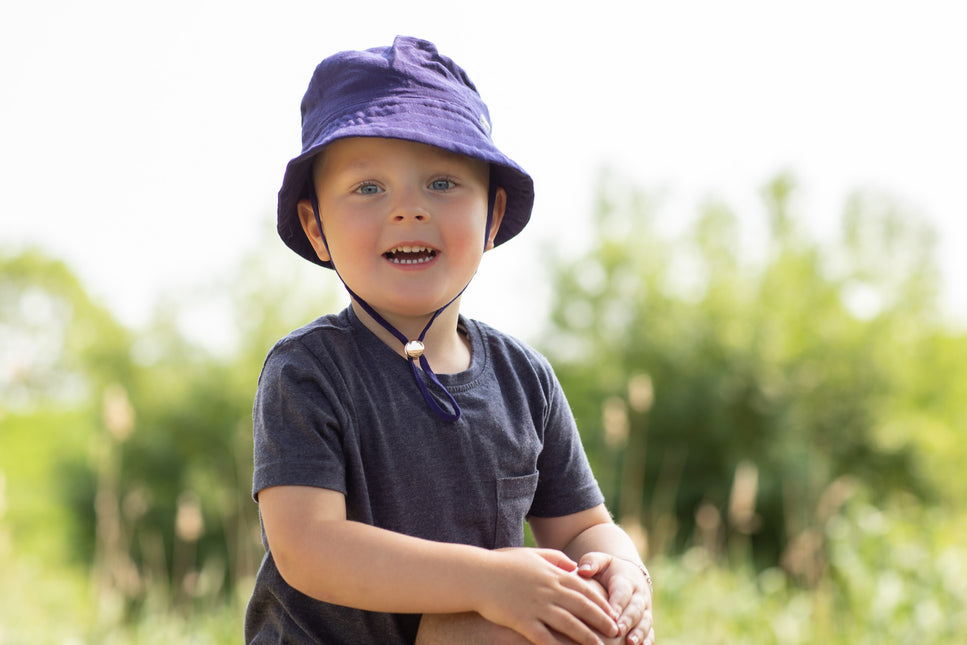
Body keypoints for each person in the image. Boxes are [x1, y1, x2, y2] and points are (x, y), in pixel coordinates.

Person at [245, 36, 655, 645]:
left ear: (492, 217)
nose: (408, 209)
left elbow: (579, 529)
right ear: (316, 227)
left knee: (585, 622)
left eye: (442, 183)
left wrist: (620, 567)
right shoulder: (308, 371)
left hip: (463, 632)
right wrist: (489, 580)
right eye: (368, 188)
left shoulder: (524, 379)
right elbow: (309, 546)